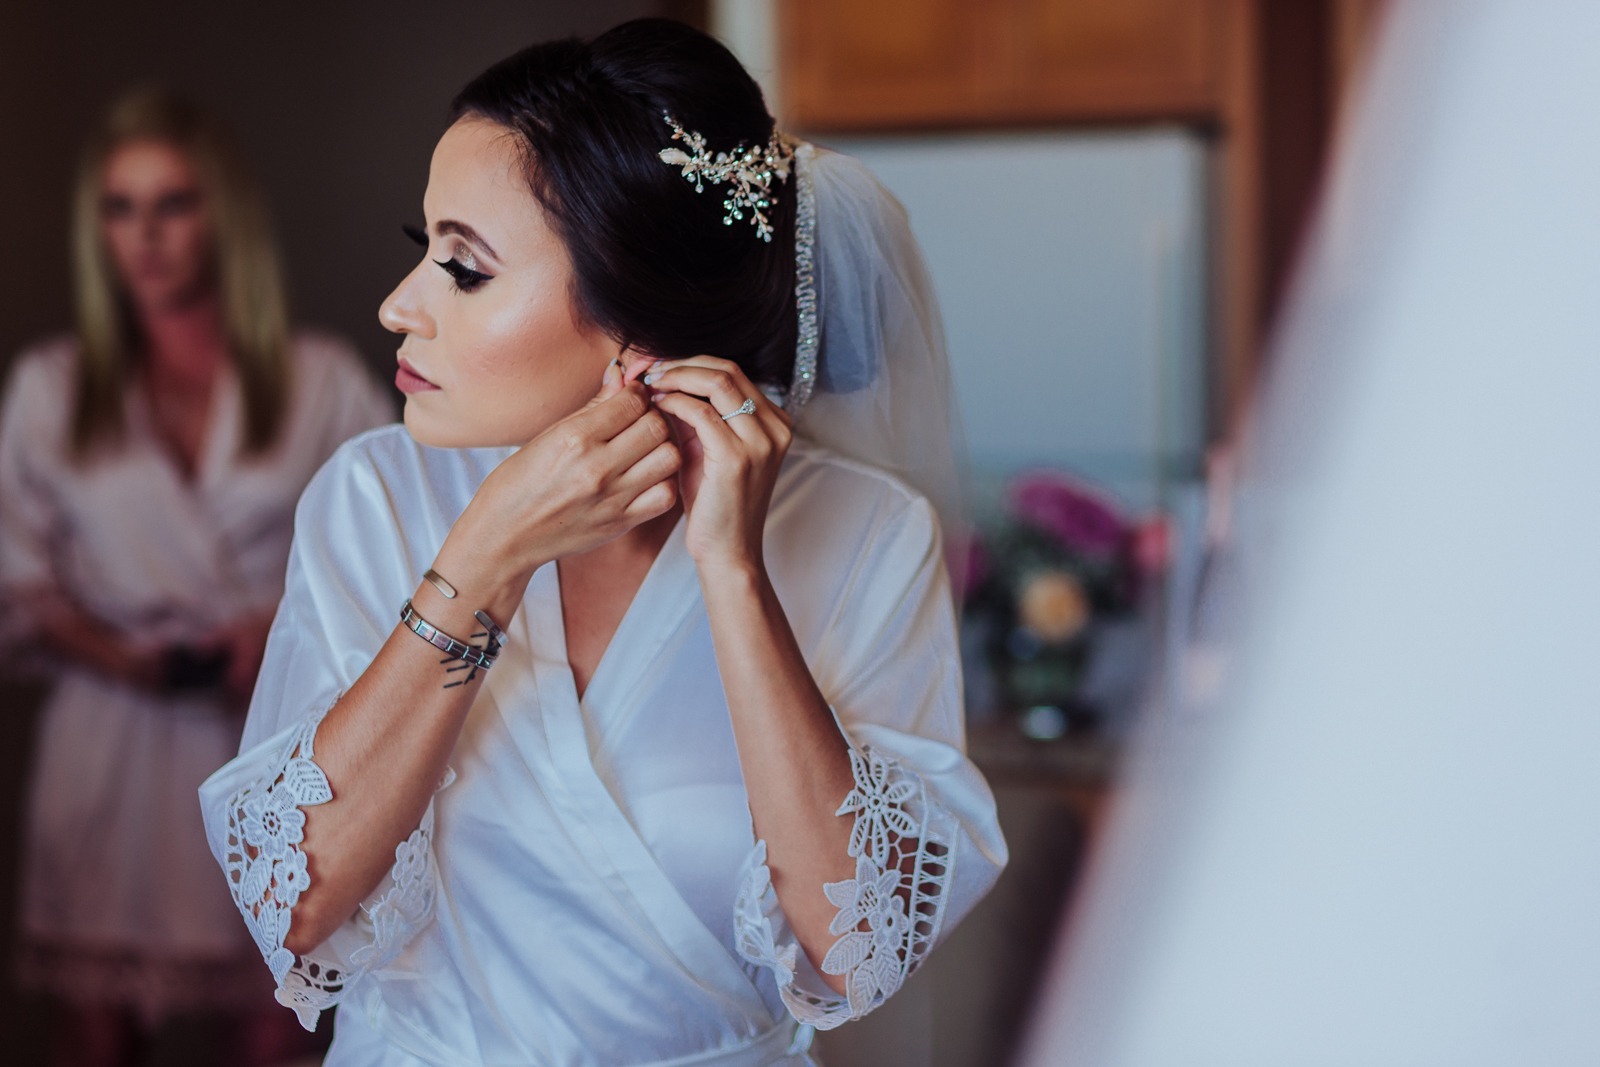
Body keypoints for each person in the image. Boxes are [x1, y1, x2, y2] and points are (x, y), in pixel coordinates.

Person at [199, 19, 1008, 1065]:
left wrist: (731, 570)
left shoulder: (866, 537)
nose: (400, 306)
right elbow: (292, 902)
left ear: (638, 332)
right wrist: (485, 554)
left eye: (464, 268)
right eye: (424, 255)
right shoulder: (374, 499)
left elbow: (859, 950)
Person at [0, 89, 391, 1066]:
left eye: (172, 202)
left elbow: (392, 559)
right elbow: (19, 579)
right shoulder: (51, 388)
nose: (146, 235)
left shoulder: (322, 379)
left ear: (223, 214)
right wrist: (123, 657)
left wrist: (272, 630)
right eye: (119, 207)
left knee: (274, 1025)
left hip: (266, 739)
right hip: (109, 741)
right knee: (92, 1032)